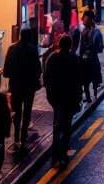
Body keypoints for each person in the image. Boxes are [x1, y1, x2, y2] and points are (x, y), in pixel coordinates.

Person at [44, 35, 82, 168]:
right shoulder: (74, 59)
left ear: (59, 45)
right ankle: (63, 155)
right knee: (66, 128)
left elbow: (46, 78)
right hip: (69, 98)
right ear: (70, 46)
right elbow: (78, 80)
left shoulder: (52, 58)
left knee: (57, 127)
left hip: (57, 98)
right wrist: (78, 96)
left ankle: (55, 157)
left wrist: (49, 95)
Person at [3, 27, 41, 150]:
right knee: (27, 111)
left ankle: (16, 137)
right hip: (29, 86)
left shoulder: (12, 49)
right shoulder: (33, 50)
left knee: (17, 112)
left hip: (15, 86)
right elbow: (38, 69)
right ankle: (24, 136)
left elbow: (6, 71)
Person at [76, 9, 104, 104]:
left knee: (88, 80)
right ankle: (89, 97)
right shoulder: (84, 31)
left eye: (84, 18)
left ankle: (92, 96)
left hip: (90, 60)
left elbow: (99, 48)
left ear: (90, 19)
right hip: (87, 60)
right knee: (88, 80)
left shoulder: (95, 32)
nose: (82, 20)